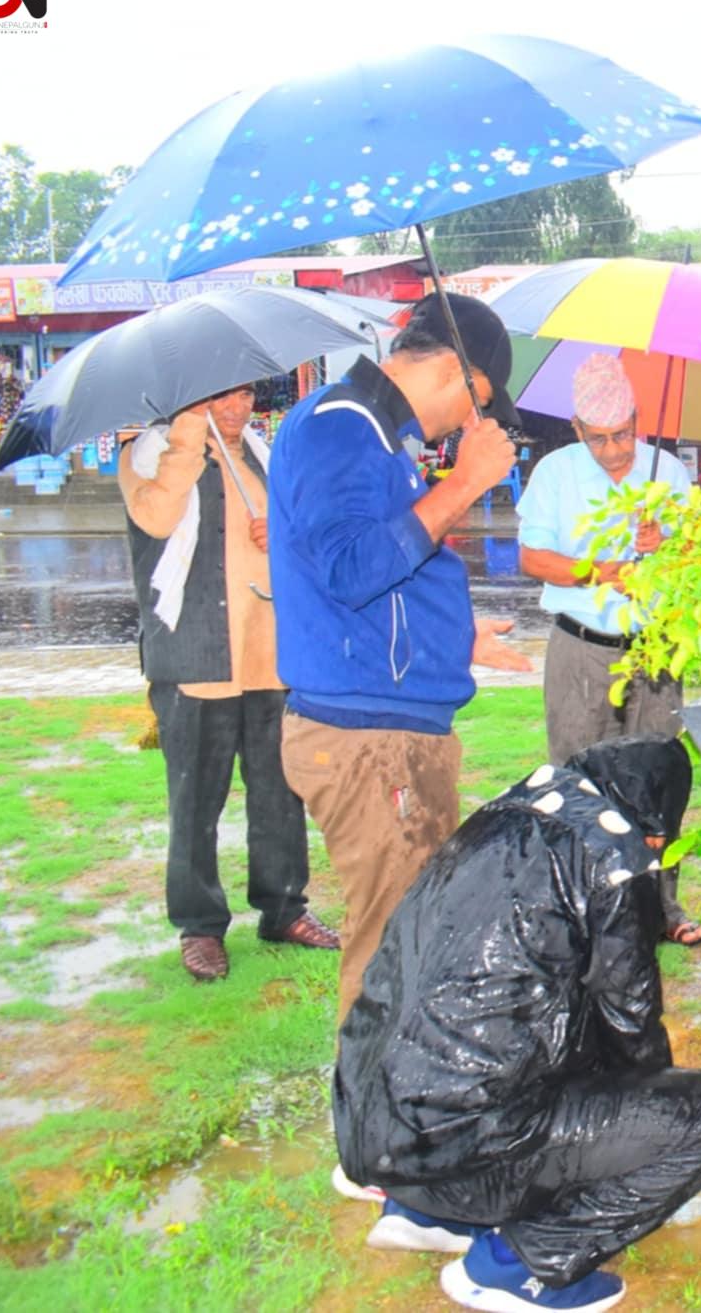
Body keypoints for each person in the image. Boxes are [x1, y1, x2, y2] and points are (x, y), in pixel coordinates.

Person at [336, 736, 701, 1313]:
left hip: (372, 1121)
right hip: (465, 1139)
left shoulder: (503, 814)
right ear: (655, 813)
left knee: (535, 1031)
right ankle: (520, 1264)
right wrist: (654, 1120)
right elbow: (629, 1019)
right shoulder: (613, 856)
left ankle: (422, 1210)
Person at [266, 292, 531, 1024]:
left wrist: (453, 638)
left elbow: (372, 586)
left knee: (417, 934)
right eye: (478, 401)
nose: (475, 421)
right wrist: (464, 483)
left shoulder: (378, 438)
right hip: (367, 736)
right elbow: (350, 567)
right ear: (451, 367)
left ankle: (398, 1109)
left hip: (390, 724)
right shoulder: (338, 424)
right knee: (394, 947)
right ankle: (377, 1127)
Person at [121, 385, 337, 982]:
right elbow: (158, 517)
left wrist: (284, 538)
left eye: (244, 395)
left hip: (267, 653)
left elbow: (305, 539)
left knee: (278, 792)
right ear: (192, 400)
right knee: (196, 801)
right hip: (196, 657)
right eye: (221, 397)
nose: (238, 409)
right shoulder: (150, 454)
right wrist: (189, 436)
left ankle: (284, 907)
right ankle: (200, 926)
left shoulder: (263, 457)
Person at [517, 352, 701, 945]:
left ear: (638, 421)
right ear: (577, 431)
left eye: (622, 435)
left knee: (656, 777)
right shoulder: (555, 473)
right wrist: (599, 570)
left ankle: (662, 908)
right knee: (578, 778)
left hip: (654, 649)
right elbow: (532, 558)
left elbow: (696, 560)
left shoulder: (667, 472)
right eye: (598, 439)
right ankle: (587, 909)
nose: (615, 451)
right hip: (581, 648)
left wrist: (664, 541)